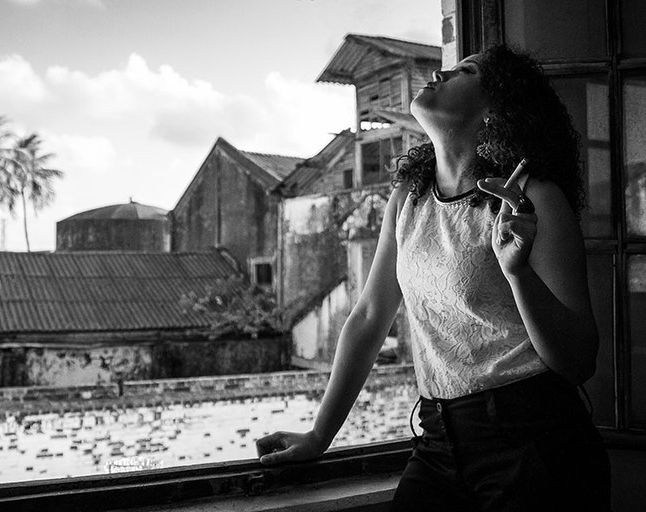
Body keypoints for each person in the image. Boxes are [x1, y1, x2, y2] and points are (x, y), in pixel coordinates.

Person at [255, 44, 611, 511]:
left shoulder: (533, 200)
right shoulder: (409, 197)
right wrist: (320, 435)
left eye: (466, 71)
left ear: (496, 108)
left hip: (534, 442)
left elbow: (578, 361)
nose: (442, 73)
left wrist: (517, 272)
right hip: (438, 440)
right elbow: (369, 317)